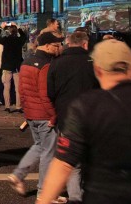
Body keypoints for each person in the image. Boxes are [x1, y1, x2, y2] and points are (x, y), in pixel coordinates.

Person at [38, 39, 131, 204]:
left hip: (102, 195)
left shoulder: (87, 106)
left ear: (97, 69)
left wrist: (43, 200)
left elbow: (63, 163)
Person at [8, 32, 65, 203]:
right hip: (44, 114)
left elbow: (21, 90)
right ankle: (44, 192)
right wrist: (53, 115)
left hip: (31, 113)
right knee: (48, 152)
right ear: (47, 46)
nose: (59, 48)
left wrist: (26, 110)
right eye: (56, 45)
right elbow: (45, 94)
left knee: (39, 146)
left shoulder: (26, 62)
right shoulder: (46, 65)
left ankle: (18, 175)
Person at [46, 30, 99, 202]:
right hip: (91, 116)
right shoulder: (92, 63)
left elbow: (50, 92)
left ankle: (76, 197)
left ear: (69, 43)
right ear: (85, 44)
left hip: (66, 117)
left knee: (71, 161)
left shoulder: (56, 63)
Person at [0, 22, 27, 113]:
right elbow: (25, 36)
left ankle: (7, 106)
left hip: (7, 65)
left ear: (9, 31)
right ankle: (18, 106)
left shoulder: (6, 40)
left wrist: (1, 28)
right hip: (17, 66)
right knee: (18, 88)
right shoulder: (19, 40)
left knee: (6, 87)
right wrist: (18, 27)